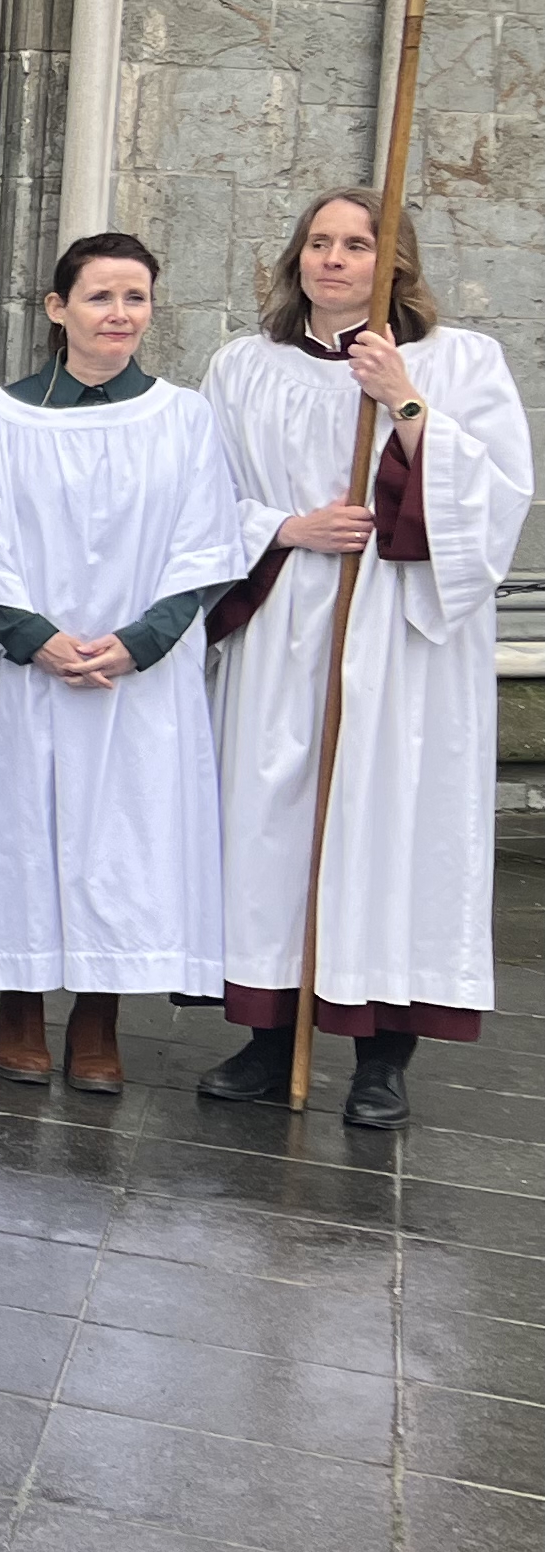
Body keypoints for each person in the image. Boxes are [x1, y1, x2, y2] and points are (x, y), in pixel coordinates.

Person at [198, 191, 532, 1127]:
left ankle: (384, 1056)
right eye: (318, 242)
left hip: (401, 640)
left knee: (390, 828)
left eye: (357, 245)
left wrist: (403, 401)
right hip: (282, 630)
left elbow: (500, 499)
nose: (333, 259)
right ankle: (269, 1036)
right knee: (274, 826)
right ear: (295, 257)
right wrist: (284, 526)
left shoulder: (460, 362)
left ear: (396, 263)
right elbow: (194, 502)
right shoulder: (242, 369)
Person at [0, 232, 242, 1094]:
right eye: (100, 297)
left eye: (136, 298)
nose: (120, 315)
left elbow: (204, 543)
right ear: (58, 309)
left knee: (122, 840)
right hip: (26, 673)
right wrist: (35, 636)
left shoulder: (183, 417)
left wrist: (143, 639)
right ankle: (18, 1010)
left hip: (138, 678)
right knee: (19, 828)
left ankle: (100, 1016)